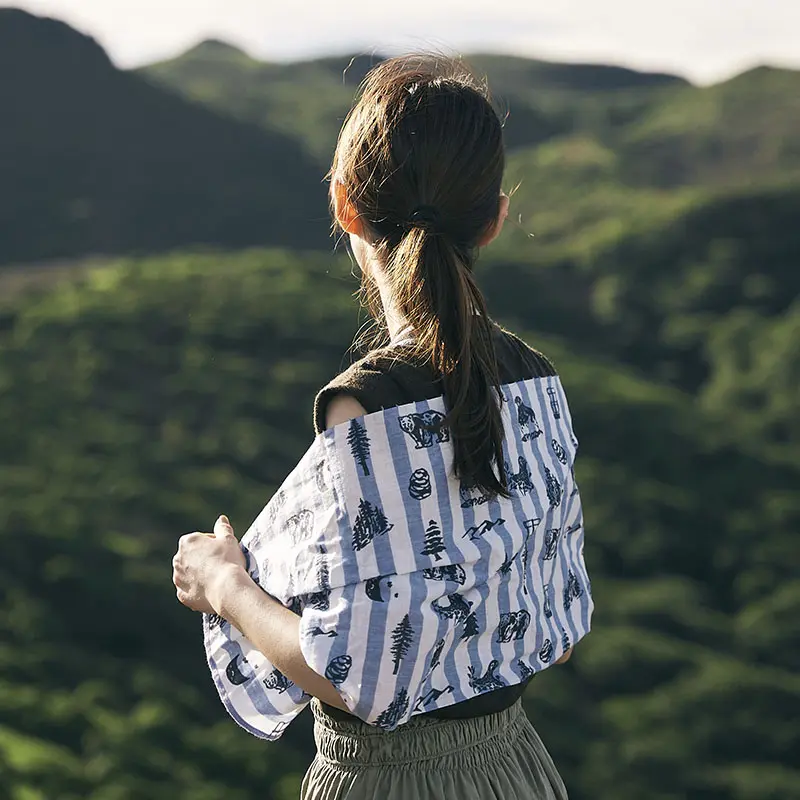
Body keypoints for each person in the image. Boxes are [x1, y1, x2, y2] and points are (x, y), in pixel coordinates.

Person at [172, 54, 592, 799]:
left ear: (346, 208)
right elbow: (554, 635)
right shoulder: (538, 381)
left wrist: (225, 585)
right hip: (518, 770)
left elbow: (353, 678)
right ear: (493, 217)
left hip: (385, 780)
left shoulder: (363, 404)